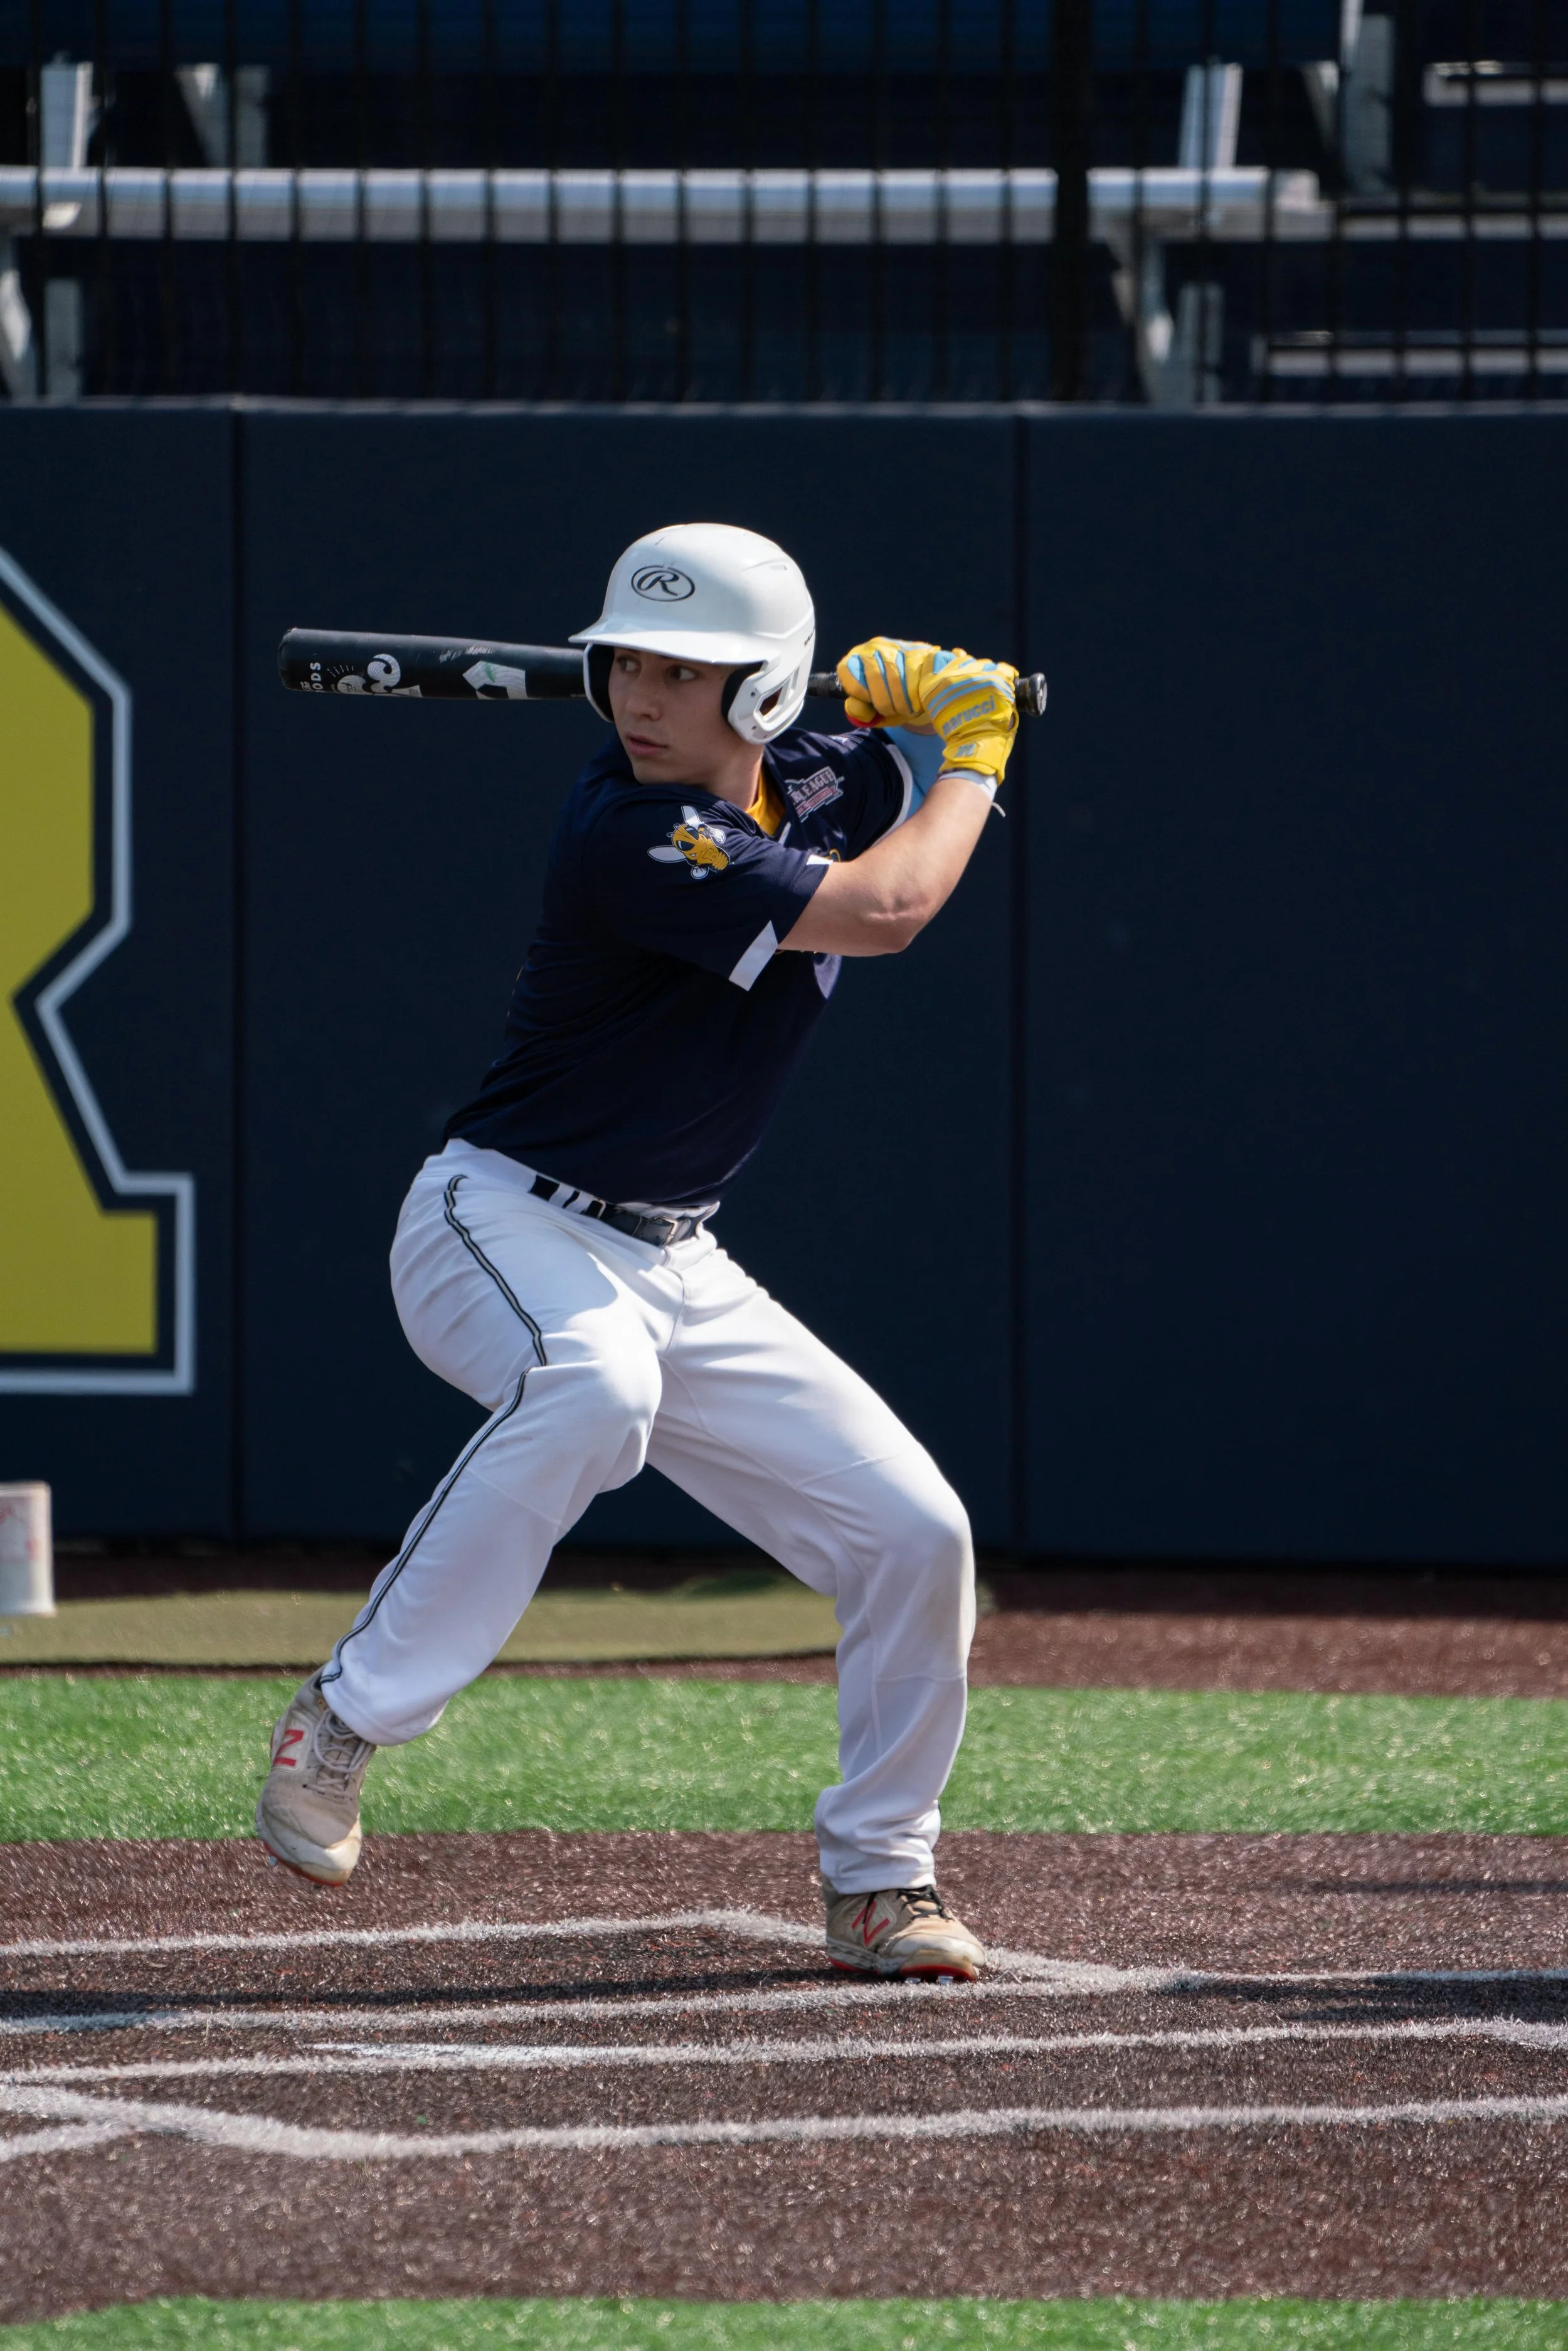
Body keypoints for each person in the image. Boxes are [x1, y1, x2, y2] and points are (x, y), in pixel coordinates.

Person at [255, 521, 1018, 1982]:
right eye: (627, 665)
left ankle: (879, 1876)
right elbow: (887, 907)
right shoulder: (633, 829)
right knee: (594, 1386)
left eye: (685, 672)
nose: (639, 698)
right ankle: (346, 1717)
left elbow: (873, 789)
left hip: (678, 1258)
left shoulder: (812, 775)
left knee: (913, 1531)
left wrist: (911, 716)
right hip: (497, 1219)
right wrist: (969, 749)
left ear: (764, 690)